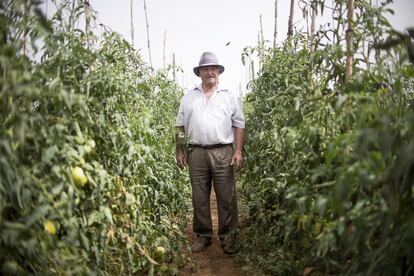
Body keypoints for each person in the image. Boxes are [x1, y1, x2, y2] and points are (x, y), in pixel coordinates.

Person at [175, 52, 245, 254]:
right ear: (199, 73)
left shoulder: (229, 96)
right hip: (196, 153)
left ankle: (227, 237)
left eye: (213, 68)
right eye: (205, 69)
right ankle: (204, 236)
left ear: (219, 72)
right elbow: (179, 127)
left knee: (226, 197)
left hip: (223, 151)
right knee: (199, 197)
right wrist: (179, 150)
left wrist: (238, 151)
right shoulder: (189, 97)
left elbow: (239, 125)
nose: (210, 72)